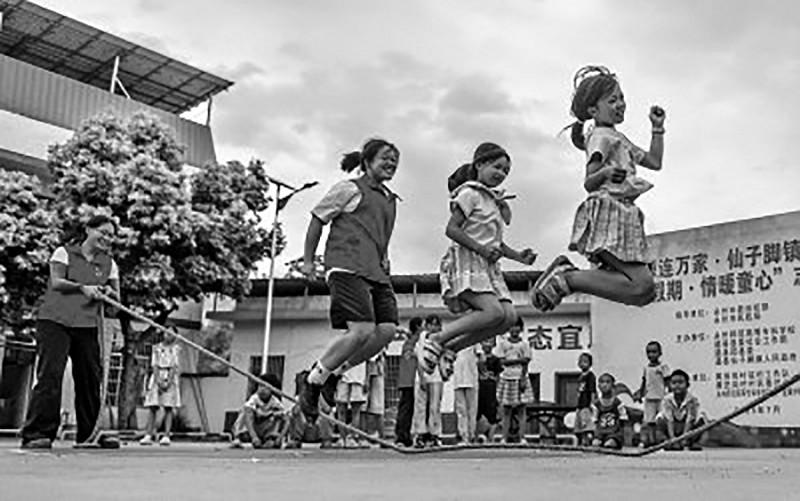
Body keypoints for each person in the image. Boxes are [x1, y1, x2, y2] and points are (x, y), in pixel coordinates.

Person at [532, 65, 666, 311]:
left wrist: (657, 128)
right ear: (593, 110)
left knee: (643, 293)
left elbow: (654, 162)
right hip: (609, 211)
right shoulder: (600, 138)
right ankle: (568, 278)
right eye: (612, 100)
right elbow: (589, 181)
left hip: (625, 214)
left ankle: (569, 278)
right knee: (642, 286)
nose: (620, 104)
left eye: (621, 98)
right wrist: (605, 173)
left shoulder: (619, 138)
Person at [297, 138, 401, 422]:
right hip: (346, 265)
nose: (391, 163)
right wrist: (308, 261)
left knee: (386, 331)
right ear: (367, 162)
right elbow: (318, 219)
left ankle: (335, 373)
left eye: (395, 160)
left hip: (375, 271)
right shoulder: (349, 188)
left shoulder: (390, 199)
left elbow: (380, 235)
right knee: (362, 330)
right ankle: (313, 380)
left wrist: (385, 259)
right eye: (385, 158)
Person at [419, 143, 537, 380]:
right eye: (497, 167)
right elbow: (452, 229)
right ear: (480, 164)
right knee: (492, 312)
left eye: (506, 171)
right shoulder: (469, 194)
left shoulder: (492, 202)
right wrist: (481, 250)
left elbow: (495, 243)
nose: (501, 173)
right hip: (468, 261)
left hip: (488, 267)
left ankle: (452, 348)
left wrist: (519, 256)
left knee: (508, 317)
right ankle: (437, 339)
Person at [21, 215, 121, 449]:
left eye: (111, 235)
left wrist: (109, 295)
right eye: (103, 232)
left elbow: (116, 302)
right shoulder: (64, 253)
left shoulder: (109, 264)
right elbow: (57, 282)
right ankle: (37, 433)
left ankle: (90, 433)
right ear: (88, 230)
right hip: (55, 321)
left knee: (90, 377)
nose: (107, 238)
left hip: (87, 325)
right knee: (50, 375)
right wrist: (82, 288)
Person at [139, 326, 182, 446]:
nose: (169, 336)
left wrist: (169, 382)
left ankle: (166, 435)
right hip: (157, 375)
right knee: (153, 407)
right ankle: (148, 434)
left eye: (172, 334)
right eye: (167, 333)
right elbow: (155, 365)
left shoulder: (176, 349)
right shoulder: (156, 348)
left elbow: (174, 366)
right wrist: (158, 380)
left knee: (168, 407)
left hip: (170, 377)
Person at [494, 318, 533, 444]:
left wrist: (523, 378)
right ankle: (504, 437)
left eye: (517, 326)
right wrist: (519, 360)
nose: (514, 329)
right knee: (506, 410)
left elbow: (526, 362)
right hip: (506, 377)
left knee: (522, 410)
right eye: (512, 326)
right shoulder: (503, 344)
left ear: (521, 328)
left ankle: (522, 437)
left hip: (520, 377)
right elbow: (501, 361)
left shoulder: (524, 344)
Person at [230, 373, 288, 449]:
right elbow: (248, 417)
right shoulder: (254, 399)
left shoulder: (275, 402)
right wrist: (254, 437)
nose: (262, 390)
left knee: (278, 415)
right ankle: (238, 437)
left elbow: (287, 420)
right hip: (251, 430)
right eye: (260, 386)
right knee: (245, 411)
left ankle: (271, 438)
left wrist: (280, 437)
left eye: (266, 387)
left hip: (265, 431)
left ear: (272, 390)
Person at [412, 315, 445, 448]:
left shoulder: (442, 340)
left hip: (437, 376)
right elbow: (419, 359)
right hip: (423, 376)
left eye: (437, 324)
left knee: (435, 406)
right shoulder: (422, 340)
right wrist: (421, 378)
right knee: (420, 406)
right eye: (431, 324)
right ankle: (420, 434)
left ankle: (434, 434)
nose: (434, 327)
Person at [657, 369, 706, 451]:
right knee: (659, 419)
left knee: (701, 419)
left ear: (687, 385)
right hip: (673, 427)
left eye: (680, 382)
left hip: (687, 428)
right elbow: (669, 420)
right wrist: (673, 439)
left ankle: (691, 442)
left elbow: (690, 420)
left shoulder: (692, 400)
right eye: (674, 383)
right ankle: (667, 442)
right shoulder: (667, 400)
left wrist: (684, 439)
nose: (677, 385)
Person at [634, 341, 670, 447]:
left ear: (660, 353)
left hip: (661, 397)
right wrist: (640, 394)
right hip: (649, 398)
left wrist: (670, 394)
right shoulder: (646, 368)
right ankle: (651, 440)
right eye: (649, 352)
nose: (651, 355)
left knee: (662, 419)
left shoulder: (663, 367)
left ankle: (663, 439)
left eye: (654, 352)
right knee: (650, 421)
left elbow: (667, 380)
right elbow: (644, 381)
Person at [394, 317, 422, 447]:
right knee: (407, 409)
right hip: (410, 380)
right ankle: (402, 435)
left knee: (406, 408)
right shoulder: (415, 343)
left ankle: (404, 434)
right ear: (418, 327)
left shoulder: (408, 342)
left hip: (406, 380)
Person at [334, 361, 368, 448]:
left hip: (358, 378)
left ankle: (353, 438)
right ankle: (342, 438)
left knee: (356, 410)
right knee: (341, 409)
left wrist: (366, 379)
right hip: (342, 376)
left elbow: (369, 360)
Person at [476, 337, 502, 443]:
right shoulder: (477, 359)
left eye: (490, 342)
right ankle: (481, 434)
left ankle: (491, 436)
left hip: (491, 389)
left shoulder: (496, 360)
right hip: (479, 389)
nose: (487, 345)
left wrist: (498, 390)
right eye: (485, 342)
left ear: (494, 344)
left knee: (491, 412)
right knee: (479, 412)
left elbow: (498, 376)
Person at [591, 373, 628, 449]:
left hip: (614, 433)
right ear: (599, 386)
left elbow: (623, 418)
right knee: (595, 444)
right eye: (602, 382)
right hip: (600, 433)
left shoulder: (617, 402)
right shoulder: (597, 404)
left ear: (613, 385)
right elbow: (594, 420)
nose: (605, 385)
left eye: (608, 382)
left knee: (609, 444)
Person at [453, 344, 480, 445]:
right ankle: (463, 435)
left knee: (472, 409)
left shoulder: (474, 341)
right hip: (458, 379)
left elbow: (481, 357)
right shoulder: (456, 342)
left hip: (471, 379)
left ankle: (471, 435)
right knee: (461, 410)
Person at [362, 349, 386, 444]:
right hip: (375, 373)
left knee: (375, 408)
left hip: (375, 373)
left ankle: (376, 434)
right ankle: (375, 434)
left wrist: (367, 379)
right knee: (373, 407)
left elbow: (372, 361)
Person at [574, 352, 597, 446]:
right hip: (580, 405)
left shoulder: (590, 376)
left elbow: (592, 391)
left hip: (586, 405)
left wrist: (592, 403)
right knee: (578, 426)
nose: (582, 363)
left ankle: (587, 442)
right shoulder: (580, 377)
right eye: (580, 361)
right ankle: (580, 442)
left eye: (585, 361)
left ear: (590, 364)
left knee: (586, 426)